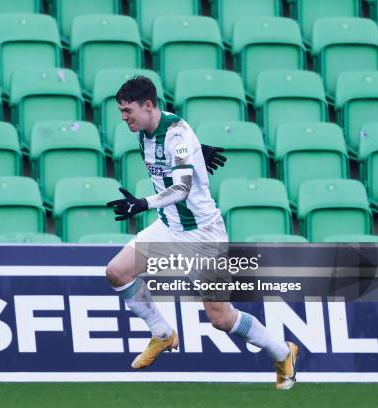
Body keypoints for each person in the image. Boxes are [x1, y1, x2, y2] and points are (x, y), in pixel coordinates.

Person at [105, 76, 298, 390]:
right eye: (122, 111)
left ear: (148, 105)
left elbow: (182, 188)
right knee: (117, 272)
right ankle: (162, 333)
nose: (124, 117)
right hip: (169, 227)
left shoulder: (177, 135)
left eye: (128, 110)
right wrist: (196, 152)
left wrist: (142, 203)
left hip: (203, 237)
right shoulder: (146, 132)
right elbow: (177, 158)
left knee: (221, 318)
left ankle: (282, 352)